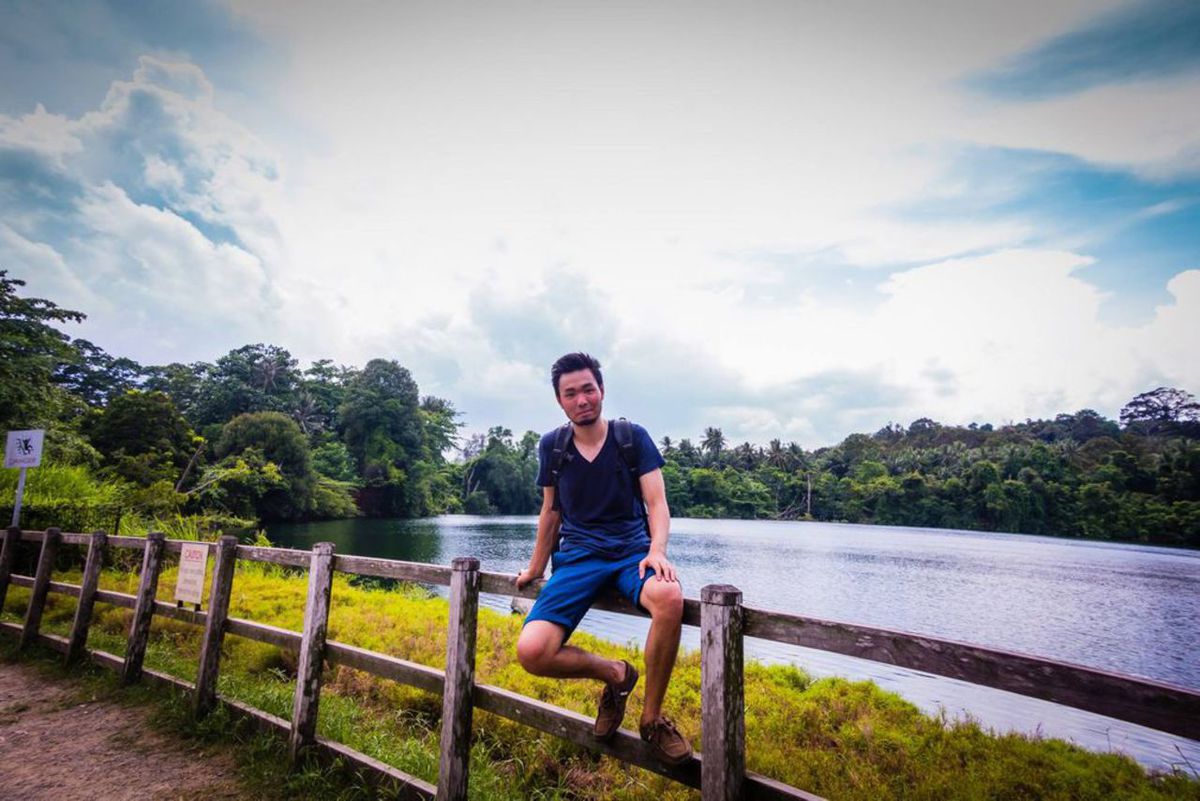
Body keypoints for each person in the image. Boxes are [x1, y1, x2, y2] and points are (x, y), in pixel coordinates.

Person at [515, 352, 692, 765]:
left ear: (602, 390)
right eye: (571, 393)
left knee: (669, 597)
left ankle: (652, 719)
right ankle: (615, 674)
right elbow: (551, 512)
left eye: (588, 389)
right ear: (560, 401)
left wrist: (657, 550)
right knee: (532, 652)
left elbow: (657, 503)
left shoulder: (632, 438)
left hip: (633, 555)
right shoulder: (553, 447)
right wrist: (536, 567)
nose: (582, 400)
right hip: (577, 560)